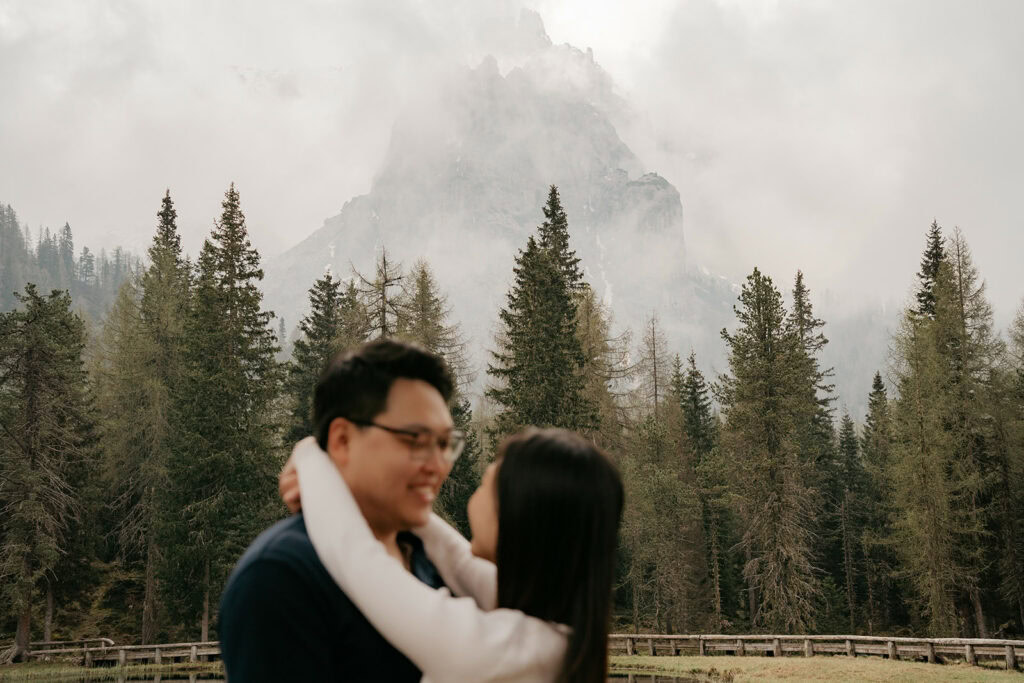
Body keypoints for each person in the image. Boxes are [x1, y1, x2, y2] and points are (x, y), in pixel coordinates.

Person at [284, 426, 624, 682]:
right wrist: (380, 490)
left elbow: (357, 560)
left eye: (485, 485)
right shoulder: (553, 634)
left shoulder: (507, 654)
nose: (473, 497)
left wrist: (311, 454)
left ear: (517, 519)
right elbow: (456, 558)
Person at [219, 339, 463, 682]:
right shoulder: (281, 576)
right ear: (342, 441)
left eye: (444, 444)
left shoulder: (435, 561)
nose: (438, 465)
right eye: (415, 440)